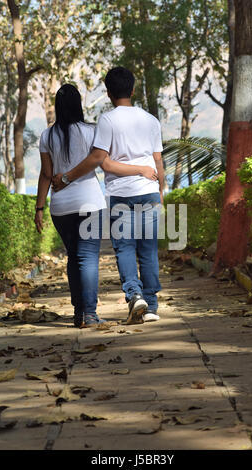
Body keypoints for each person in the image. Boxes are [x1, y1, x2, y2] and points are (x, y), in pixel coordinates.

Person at [35, 83, 158, 328]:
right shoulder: (92, 131)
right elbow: (104, 162)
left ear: (58, 107)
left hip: (60, 206)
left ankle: (79, 313)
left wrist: (39, 208)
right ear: (78, 104)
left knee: (73, 258)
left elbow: (46, 174)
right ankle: (90, 314)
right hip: (90, 202)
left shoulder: (47, 135)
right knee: (88, 258)